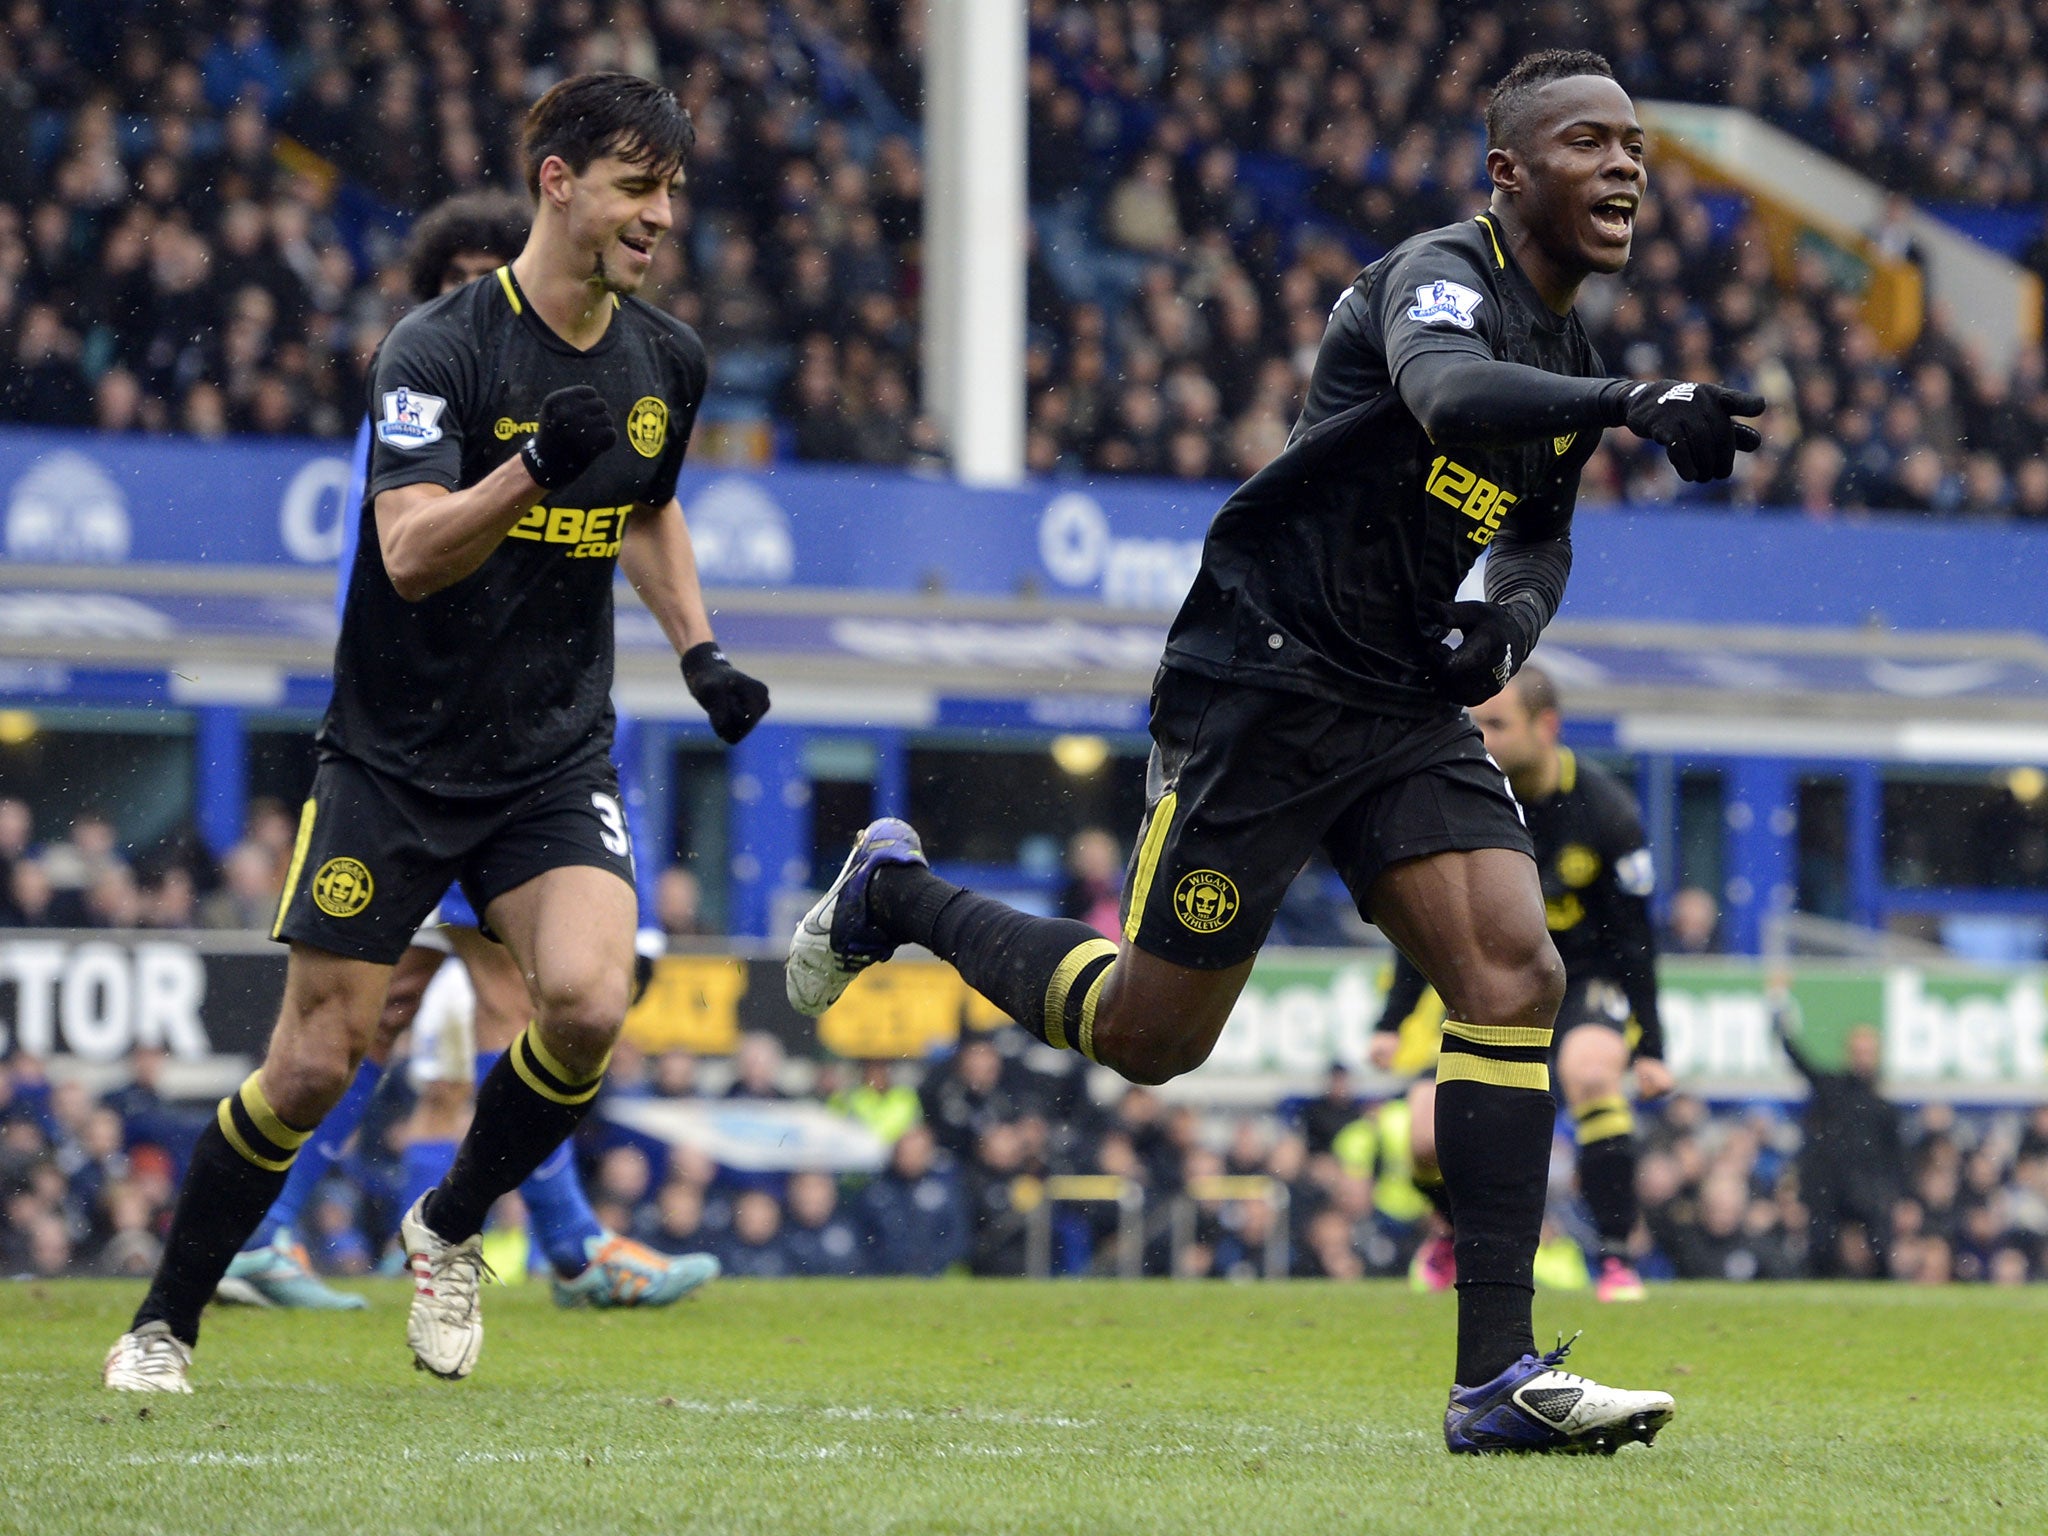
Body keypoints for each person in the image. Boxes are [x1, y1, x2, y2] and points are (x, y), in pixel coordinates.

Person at [789, 50, 1761, 1454]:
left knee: (1513, 972)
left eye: (1635, 147)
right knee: (1149, 1035)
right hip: (1265, 676)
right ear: (1508, 173)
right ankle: (895, 898)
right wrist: (1631, 406)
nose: (1625, 167)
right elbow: (1445, 399)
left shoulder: (1564, 352)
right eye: (1589, 143)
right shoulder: (1441, 278)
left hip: (1399, 697)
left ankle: (1497, 1379)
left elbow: (1540, 522)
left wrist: (1509, 626)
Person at [105, 73, 770, 1393]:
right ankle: (162, 1324)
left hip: (550, 758)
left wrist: (702, 652)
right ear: (559, 182)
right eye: (639, 189)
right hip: (394, 763)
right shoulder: (436, 349)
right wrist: (529, 466)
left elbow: (645, 508)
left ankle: (451, 1222)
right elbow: (407, 554)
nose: (660, 217)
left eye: (674, 193)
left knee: (586, 1002)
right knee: (310, 1063)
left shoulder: (667, 362)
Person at [216, 187, 716, 1315]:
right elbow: (414, 563)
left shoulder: (602, 377)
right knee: (485, 1004)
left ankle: (274, 1232)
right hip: (424, 752)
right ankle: (572, 1245)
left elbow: (635, 518)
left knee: (414, 1010)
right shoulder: (427, 397)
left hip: (517, 747)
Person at [1371, 666, 1672, 1304]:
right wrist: (1392, 1020)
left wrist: (1653, 1048)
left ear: (1547, 727)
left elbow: (1636, 940)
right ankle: (1451, 1232)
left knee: (1592, 1074)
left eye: (1496, 724)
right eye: (1473, 723)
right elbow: (1425, 916)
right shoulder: (1461, 796)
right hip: (1488, 978)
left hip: (1581, 978)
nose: (1478, 737)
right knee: (1424, 1136)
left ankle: (1616, 1257)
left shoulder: (1607, 814)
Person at [1776, 1011, 1903, 1278]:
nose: (1863, 1057)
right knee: (1821, 1249)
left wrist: (1899, 1196)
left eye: (1868, 1051)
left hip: (1868, 1188)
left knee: (1882, 1246)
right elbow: (1798, 1060)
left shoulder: (1884, 1108)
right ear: (1848, 1053)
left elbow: (1895, 1157)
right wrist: (1779, 1020)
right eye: (1858, 1051)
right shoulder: (1830, 1088)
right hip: (1828, 1186)